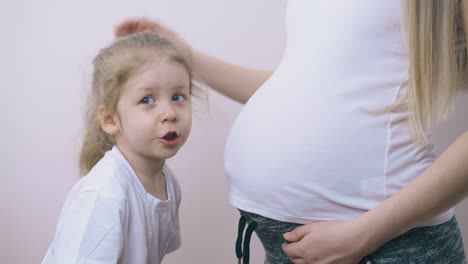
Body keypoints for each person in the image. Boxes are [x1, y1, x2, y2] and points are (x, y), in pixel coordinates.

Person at [115, 0, 468, 263]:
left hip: (384, 247)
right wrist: (186, 57)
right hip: (294, 248)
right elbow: (304, 91)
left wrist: (364, 235)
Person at [42, 32, 198, 264]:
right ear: (110, 120)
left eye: (178, 96)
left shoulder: (167, 183)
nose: (170, 113)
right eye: (147, 100)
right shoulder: (104, 196)